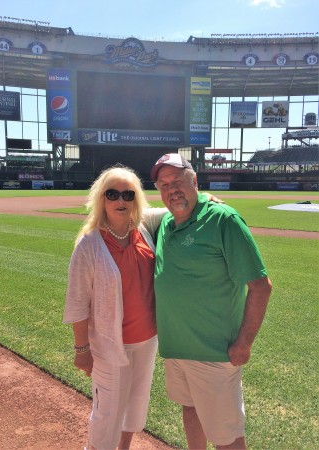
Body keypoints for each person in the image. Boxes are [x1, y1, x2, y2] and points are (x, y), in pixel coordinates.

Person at [150, 153, 273, 450]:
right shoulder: (165, 222)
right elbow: (122, 210)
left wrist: (244, 344)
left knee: (226, 438)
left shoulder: (223, 219)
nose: (172, 190)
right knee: (190, 410)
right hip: (177, 349)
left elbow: (261, 286)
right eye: (164, 185)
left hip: (214, 355)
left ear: (194, 181)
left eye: (178, 181)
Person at [63, 165, 165, 450]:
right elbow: (77, 301)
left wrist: (205, 199)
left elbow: (175, 210)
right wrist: (82, 350)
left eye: (128, 195)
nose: (121, 201)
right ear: (101, 199)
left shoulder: (144, 228)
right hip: (109, 346)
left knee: (136, 405)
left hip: (147, 341)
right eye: (112, 194)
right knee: (107, 413)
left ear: (137, 199)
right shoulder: (89, 244)